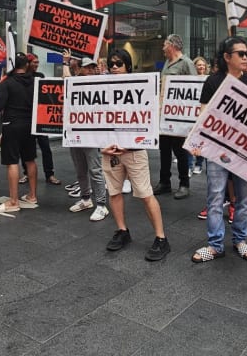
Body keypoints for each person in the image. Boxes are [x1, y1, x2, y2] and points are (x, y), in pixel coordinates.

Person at [190, 36, 247, 263]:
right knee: (215, 197)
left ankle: (240, 240)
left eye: (246, 53)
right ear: (227, 57)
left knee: (242, 197)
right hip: (216, 149)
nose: (245, 57)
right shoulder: (212, 81)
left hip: (243, 151)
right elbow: (203, 115)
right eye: (240, 53)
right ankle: (215, 245)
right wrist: (197, 143)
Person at [100, 50, 170, 260]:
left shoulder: (142, 88)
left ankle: (161, 238)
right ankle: (122, 231)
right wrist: (100, 146)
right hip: (109, 151)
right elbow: (94, 121)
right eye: (111, 64)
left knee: (145, 194)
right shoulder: (102, 89)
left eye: (118, 64)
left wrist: (130, 146)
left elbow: (148, 121)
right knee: (114, 192)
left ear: (127, 67)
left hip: (134, 152)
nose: (114, 67)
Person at [61, 53, 109, 221]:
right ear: (80, 69)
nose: (90, 69)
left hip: (91, 133)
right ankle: (86, 199)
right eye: (87, 67)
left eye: (92, 67)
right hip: (75, 132)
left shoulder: (100, 83)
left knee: (95, 169)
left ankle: (101, 205)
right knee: (80, 169)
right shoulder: (74, 82)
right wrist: (65, 62)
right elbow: (66, 79)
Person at [0, 54, 38, 213]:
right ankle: (32, 195)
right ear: (26, 65)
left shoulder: (8, 82)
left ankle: (13, 201)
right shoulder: (35, 81)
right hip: (30, 125)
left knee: (12, 161)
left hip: (11, 124)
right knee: (30, 159)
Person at [154, 34, 195, 199]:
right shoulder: (167, 63)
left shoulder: (186, 63)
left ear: (172, 45)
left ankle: (184, 184)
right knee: (164, 149)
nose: (163, 48)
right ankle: (165, 182)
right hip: (165, 115)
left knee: (179, 151)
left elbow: (194, 88)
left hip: (179, 117)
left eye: (164, 44)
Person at [24, 52, 61, 186]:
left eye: (38, 62)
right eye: (35, 62)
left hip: (39, 117)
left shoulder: (40, 76)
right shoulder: (22, 77)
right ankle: (26, 173)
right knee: (27, 147)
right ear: (28, 63)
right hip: (27, 117)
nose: (37, 65)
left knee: (45, 147)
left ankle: (49, 174)